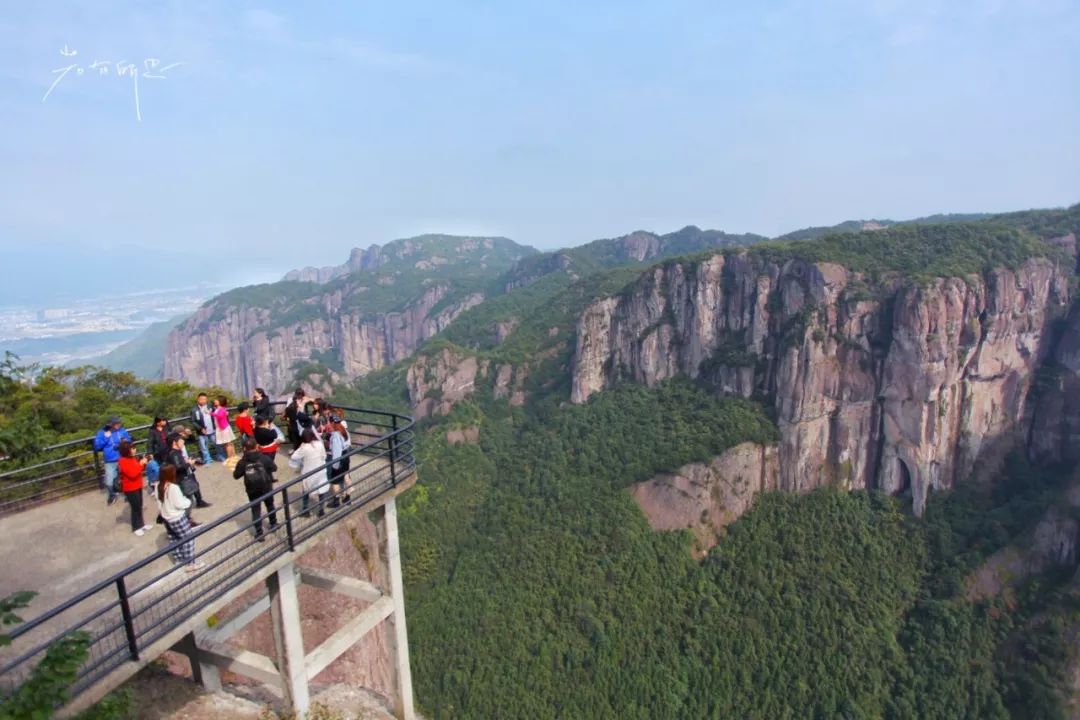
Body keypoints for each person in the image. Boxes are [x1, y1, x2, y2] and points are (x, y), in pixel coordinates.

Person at [156, 464, 204, 573]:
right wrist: (188, 502)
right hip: (177, 518)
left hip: (166, 517)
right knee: (188, 539)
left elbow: (159, 503)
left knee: (174, 539)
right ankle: (191, 563)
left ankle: (179, 559)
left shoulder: (158, 485)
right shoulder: (173, 488)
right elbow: (180, 504)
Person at [233, 437, 279, 541]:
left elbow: (236, 475)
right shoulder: (264, 458)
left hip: (252, 489)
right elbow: (274, 468)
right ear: (257, 446)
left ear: (244, 448)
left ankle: (259, 533)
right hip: (266, 486)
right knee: (270, 505)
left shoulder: (242, 462)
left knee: (255, 510)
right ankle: (273, 523)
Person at [164, 431, 211, 524]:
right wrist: (189, 463)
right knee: (187, 501)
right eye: (181, 440)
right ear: (174, 443)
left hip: (181, 479)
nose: (183, 442)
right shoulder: (174, 454)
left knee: (188, 500)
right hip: (181, 480)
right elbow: (178, 467)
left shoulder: (175, 452)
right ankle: (186, 521)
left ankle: (187, 520)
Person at [290, 428, 329, 518]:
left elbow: (294, 456)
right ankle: (321, 510)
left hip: (309, 472)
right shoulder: (319, 444)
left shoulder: (304, 448)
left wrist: (300, 447)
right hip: (320, 471)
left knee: (306, 491)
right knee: (321, 490)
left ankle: (305, 510)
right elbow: (324, 456)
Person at [117, 441, 154, 536]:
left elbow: (138, 470)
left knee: (139, 505)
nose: (134, 450)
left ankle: (141, 524)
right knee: (135, 507)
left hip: (137, 485)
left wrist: (144, 462)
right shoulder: (123, 461)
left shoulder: (132, 458)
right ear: (126, 450)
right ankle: (136, 527)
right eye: (132, 449)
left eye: (134, 448)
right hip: (130, 488)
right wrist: (141, 464)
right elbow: (132, 474)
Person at [93, 416, 132, 506]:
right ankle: (112, 494)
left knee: (126, 477)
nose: (119, 424)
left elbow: (129, 439)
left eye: (119, 423)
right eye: (116, 423)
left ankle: (128, 494)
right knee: (109, 481)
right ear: (111, 424)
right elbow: (97, 446)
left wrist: (124, 442)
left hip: (122, 457)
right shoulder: (102, 433)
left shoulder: (122, 431)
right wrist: (106, 437)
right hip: (110, 460)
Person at [326, 415, 352, 508]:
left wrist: (335, 465)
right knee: (346, 475)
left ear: (332, 422)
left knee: (335, 481)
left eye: (329, 422)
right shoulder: (344, 431)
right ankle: (347, 498)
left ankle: (336, 501)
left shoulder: (336, 435)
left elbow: (337, 451)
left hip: (339, 459)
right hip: (346, 457)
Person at [190, 393, 221, 464]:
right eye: (202, 399)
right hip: (202, 432)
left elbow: (216, 412)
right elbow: (193, 421)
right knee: (204, 447)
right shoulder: (194, 410)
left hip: (212, 429)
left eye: (205, 399)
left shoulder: (210, 406)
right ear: (198, 399)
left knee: (217, 443)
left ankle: (220, 455)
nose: (203, 401)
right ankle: (207, 459)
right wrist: (200, 428)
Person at [145, 416, 171, 493]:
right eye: (163, 421)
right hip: (158, 452)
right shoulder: (153, 431)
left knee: (168, 466)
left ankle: (169, 481)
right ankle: (159, 483)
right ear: (158, 422)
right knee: (160, 468)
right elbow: (150, 442)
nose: (164, 422)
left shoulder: (166, 428)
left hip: (167, 450)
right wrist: (150, 452)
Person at [212, 396, 236, 461]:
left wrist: (211, 413)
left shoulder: (221, 409)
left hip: (223, 428)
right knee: (229, 443)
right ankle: (233, 457)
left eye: (216, 400)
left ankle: (230, 458)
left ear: (220, 401)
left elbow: (219, 416)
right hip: (223, 428)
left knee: (227, 444)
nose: (215, 401)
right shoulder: (220, 408)